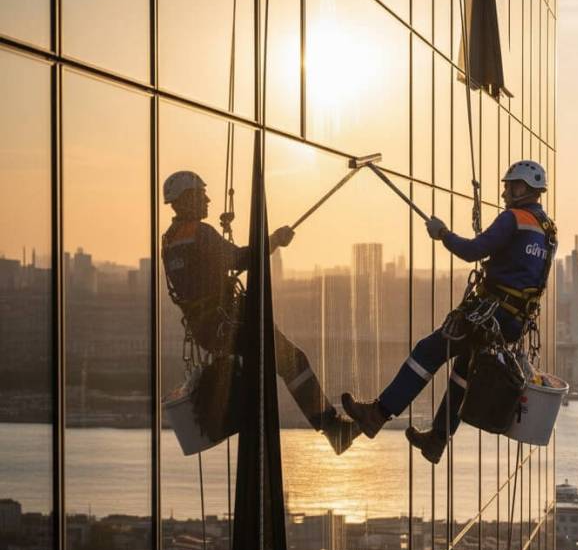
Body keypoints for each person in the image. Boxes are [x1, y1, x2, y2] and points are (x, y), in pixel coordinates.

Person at [342, 160, 556, 464]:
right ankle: (437, 440)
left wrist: (442, 233)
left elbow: (472, 252)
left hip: (489, 314)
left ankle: (377, 414)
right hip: (513, 321)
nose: (506, 192)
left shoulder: (514, 219)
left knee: (427, 352)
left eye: (511, 186)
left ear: (525, 189)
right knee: (463, 373)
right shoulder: (548, 231)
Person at [161, 170, 357, 454]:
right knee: (292, 361)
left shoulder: (170, 240)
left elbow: (209, 271)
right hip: (229, 322)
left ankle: (328, 428)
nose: (208, 199)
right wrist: (275, 239)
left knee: (268, 370)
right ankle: (333, 429)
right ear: (186, 199)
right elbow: (240, 258)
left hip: (209, 328)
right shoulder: (199, 233)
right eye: (201, 194)